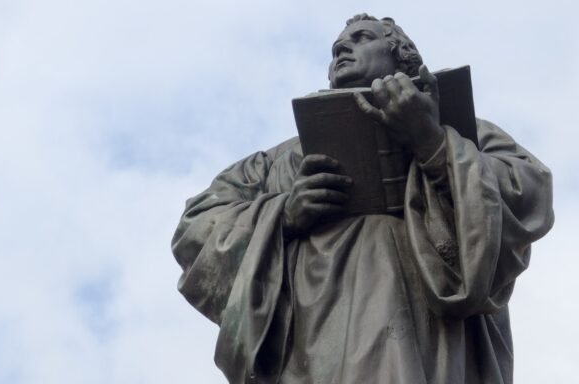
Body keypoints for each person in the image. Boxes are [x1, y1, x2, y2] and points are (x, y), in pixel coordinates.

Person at [171, 13, 554, 384]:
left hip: (433, 338)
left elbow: (530, 193)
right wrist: (282, 215)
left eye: (362, 39)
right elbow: (196, 227)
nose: (342, 49)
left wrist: (433, 144)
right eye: (338, 46)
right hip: (317, 339)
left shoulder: (463, 131)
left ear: (401, 56)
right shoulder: (279, 160)